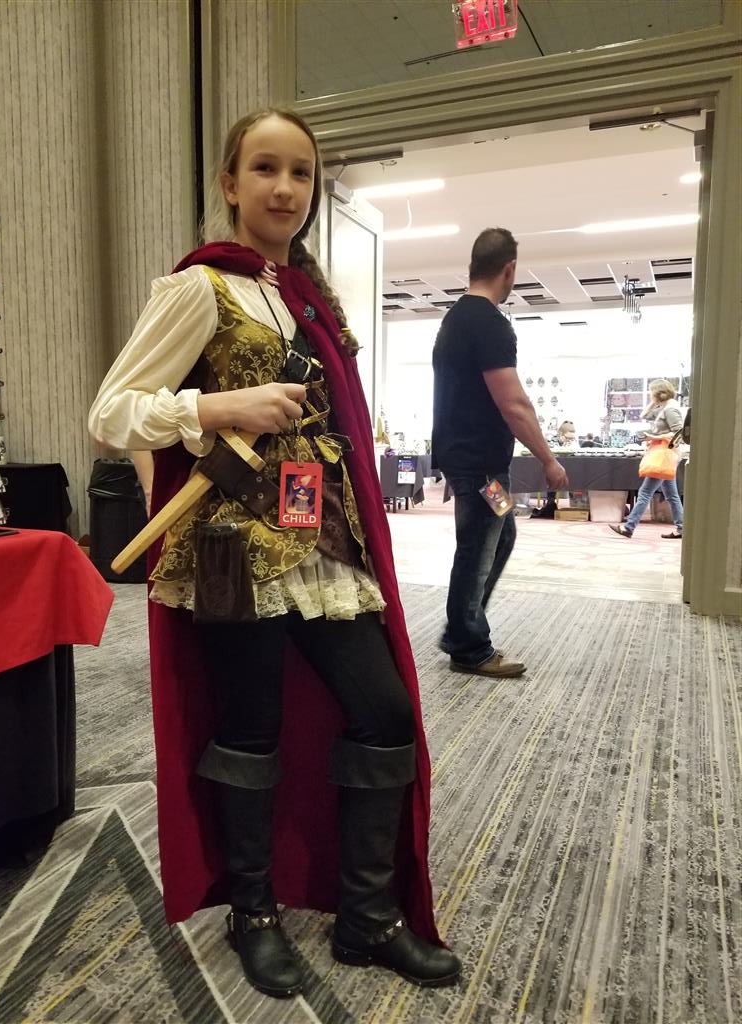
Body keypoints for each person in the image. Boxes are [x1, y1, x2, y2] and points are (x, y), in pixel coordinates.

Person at [89, 108, 460, 1000]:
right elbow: (110, 414)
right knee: (250, 729)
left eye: (301, 173)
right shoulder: (199, 288)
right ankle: (253, 913)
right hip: (230, 547)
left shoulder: (307, 297)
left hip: (321, 539)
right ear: (230, 183)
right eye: (264, 168)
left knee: (383, 715)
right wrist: (217, 407)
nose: (285, 188)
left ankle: (367, 918)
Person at [432, 228, 568, 679]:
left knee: (500, 535)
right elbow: (514, 403)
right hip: (480, 466)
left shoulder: (455, 318)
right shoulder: (489, 323)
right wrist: (548, 458)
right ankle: (469, 646)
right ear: (509, 269)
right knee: (477, 548)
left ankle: (462, 625)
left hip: (469, 461)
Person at [609, 378, 684, 539]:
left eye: (651, 392)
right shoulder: (665, 407)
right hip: (666, 455)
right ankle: (682, 527)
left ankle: (629, 527)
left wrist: (654, 437)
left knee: (645, 492)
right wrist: (654, 402)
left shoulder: (670, 409)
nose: (650, 395)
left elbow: (679, 433)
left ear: (658, 393)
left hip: (663, 455)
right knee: (672, 495)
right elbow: (644, 415)